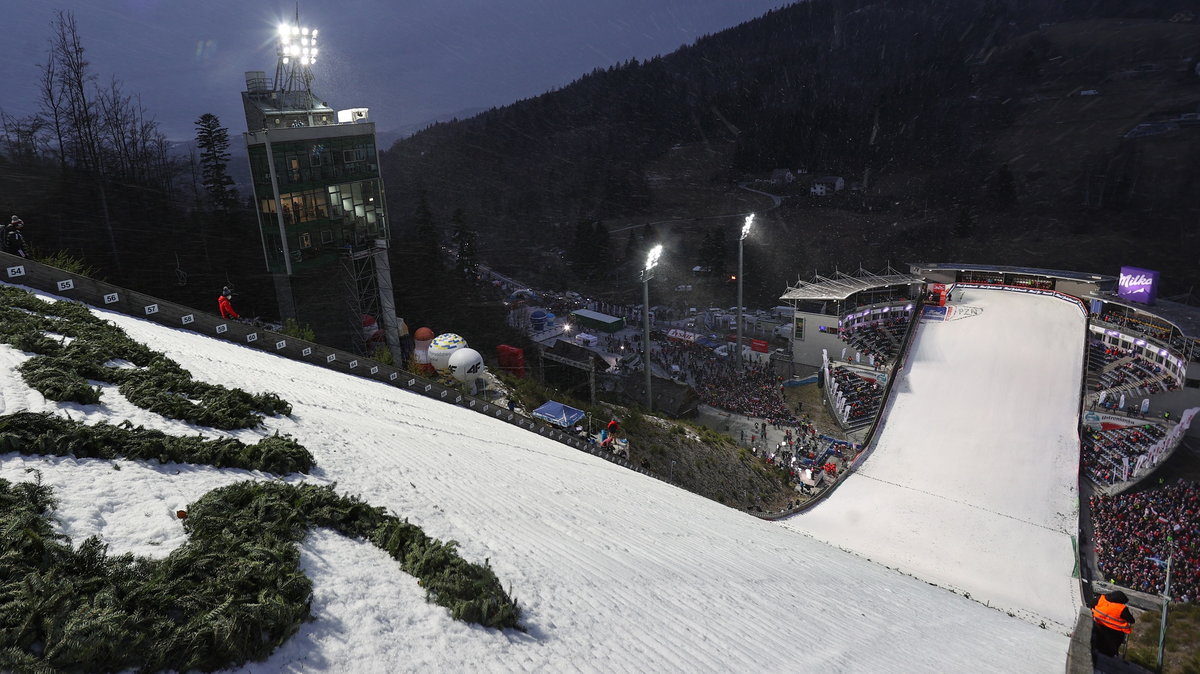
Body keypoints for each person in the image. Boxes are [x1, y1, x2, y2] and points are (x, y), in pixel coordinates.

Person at [1090, 590, 1134, 658]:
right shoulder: (1122, 608)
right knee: (1110, 648)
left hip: (1098, 624)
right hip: (1115, 631)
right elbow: (1131, 620)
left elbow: (1091, 604)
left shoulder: (1101, 598)